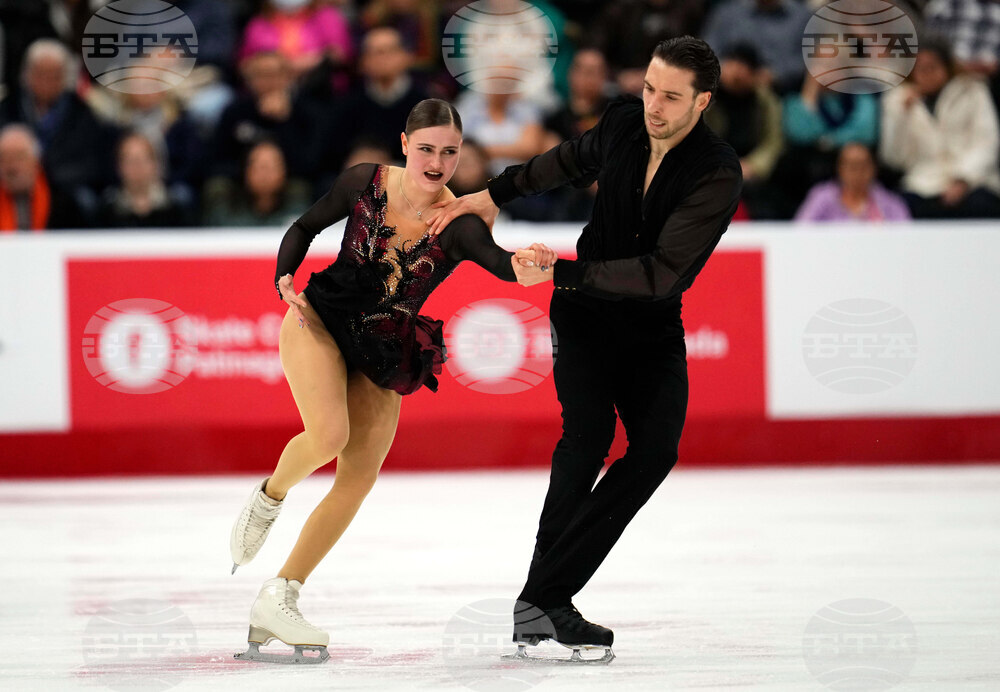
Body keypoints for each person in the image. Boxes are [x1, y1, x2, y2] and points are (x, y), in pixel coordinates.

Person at [426, 36, 742, 660]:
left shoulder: (715, 172)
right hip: (584, 315)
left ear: (702, 101)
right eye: (649, 88)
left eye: (670, 96)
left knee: (653, 453)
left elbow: (662, 274)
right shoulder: (624, 120)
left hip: (650, 323)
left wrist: (560, 271)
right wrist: (493, 195)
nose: (653, 105)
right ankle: (546, 604)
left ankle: (539, 598)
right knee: (587, 438)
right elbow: (566, 161)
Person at [229, 98, 557, 664]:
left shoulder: (460, 222)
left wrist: (531, 264)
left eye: (449, 152)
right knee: (329, 436)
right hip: (318, 321)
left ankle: (280, 596)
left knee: (358, 477)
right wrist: (283, 276)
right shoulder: (365, 182)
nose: (437, 163)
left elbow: (504, 265)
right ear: (405, 144)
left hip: (382, 351)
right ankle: (270, 496)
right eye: (426, 149)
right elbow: (304, 226)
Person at [794, 142, 911, 223]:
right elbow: (801, 231)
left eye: (863, 166)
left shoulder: (890, 203)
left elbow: (905, 235)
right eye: (852, 166)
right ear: (840, 169)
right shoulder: (821, 198)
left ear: (873, 168)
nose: (858, 172)